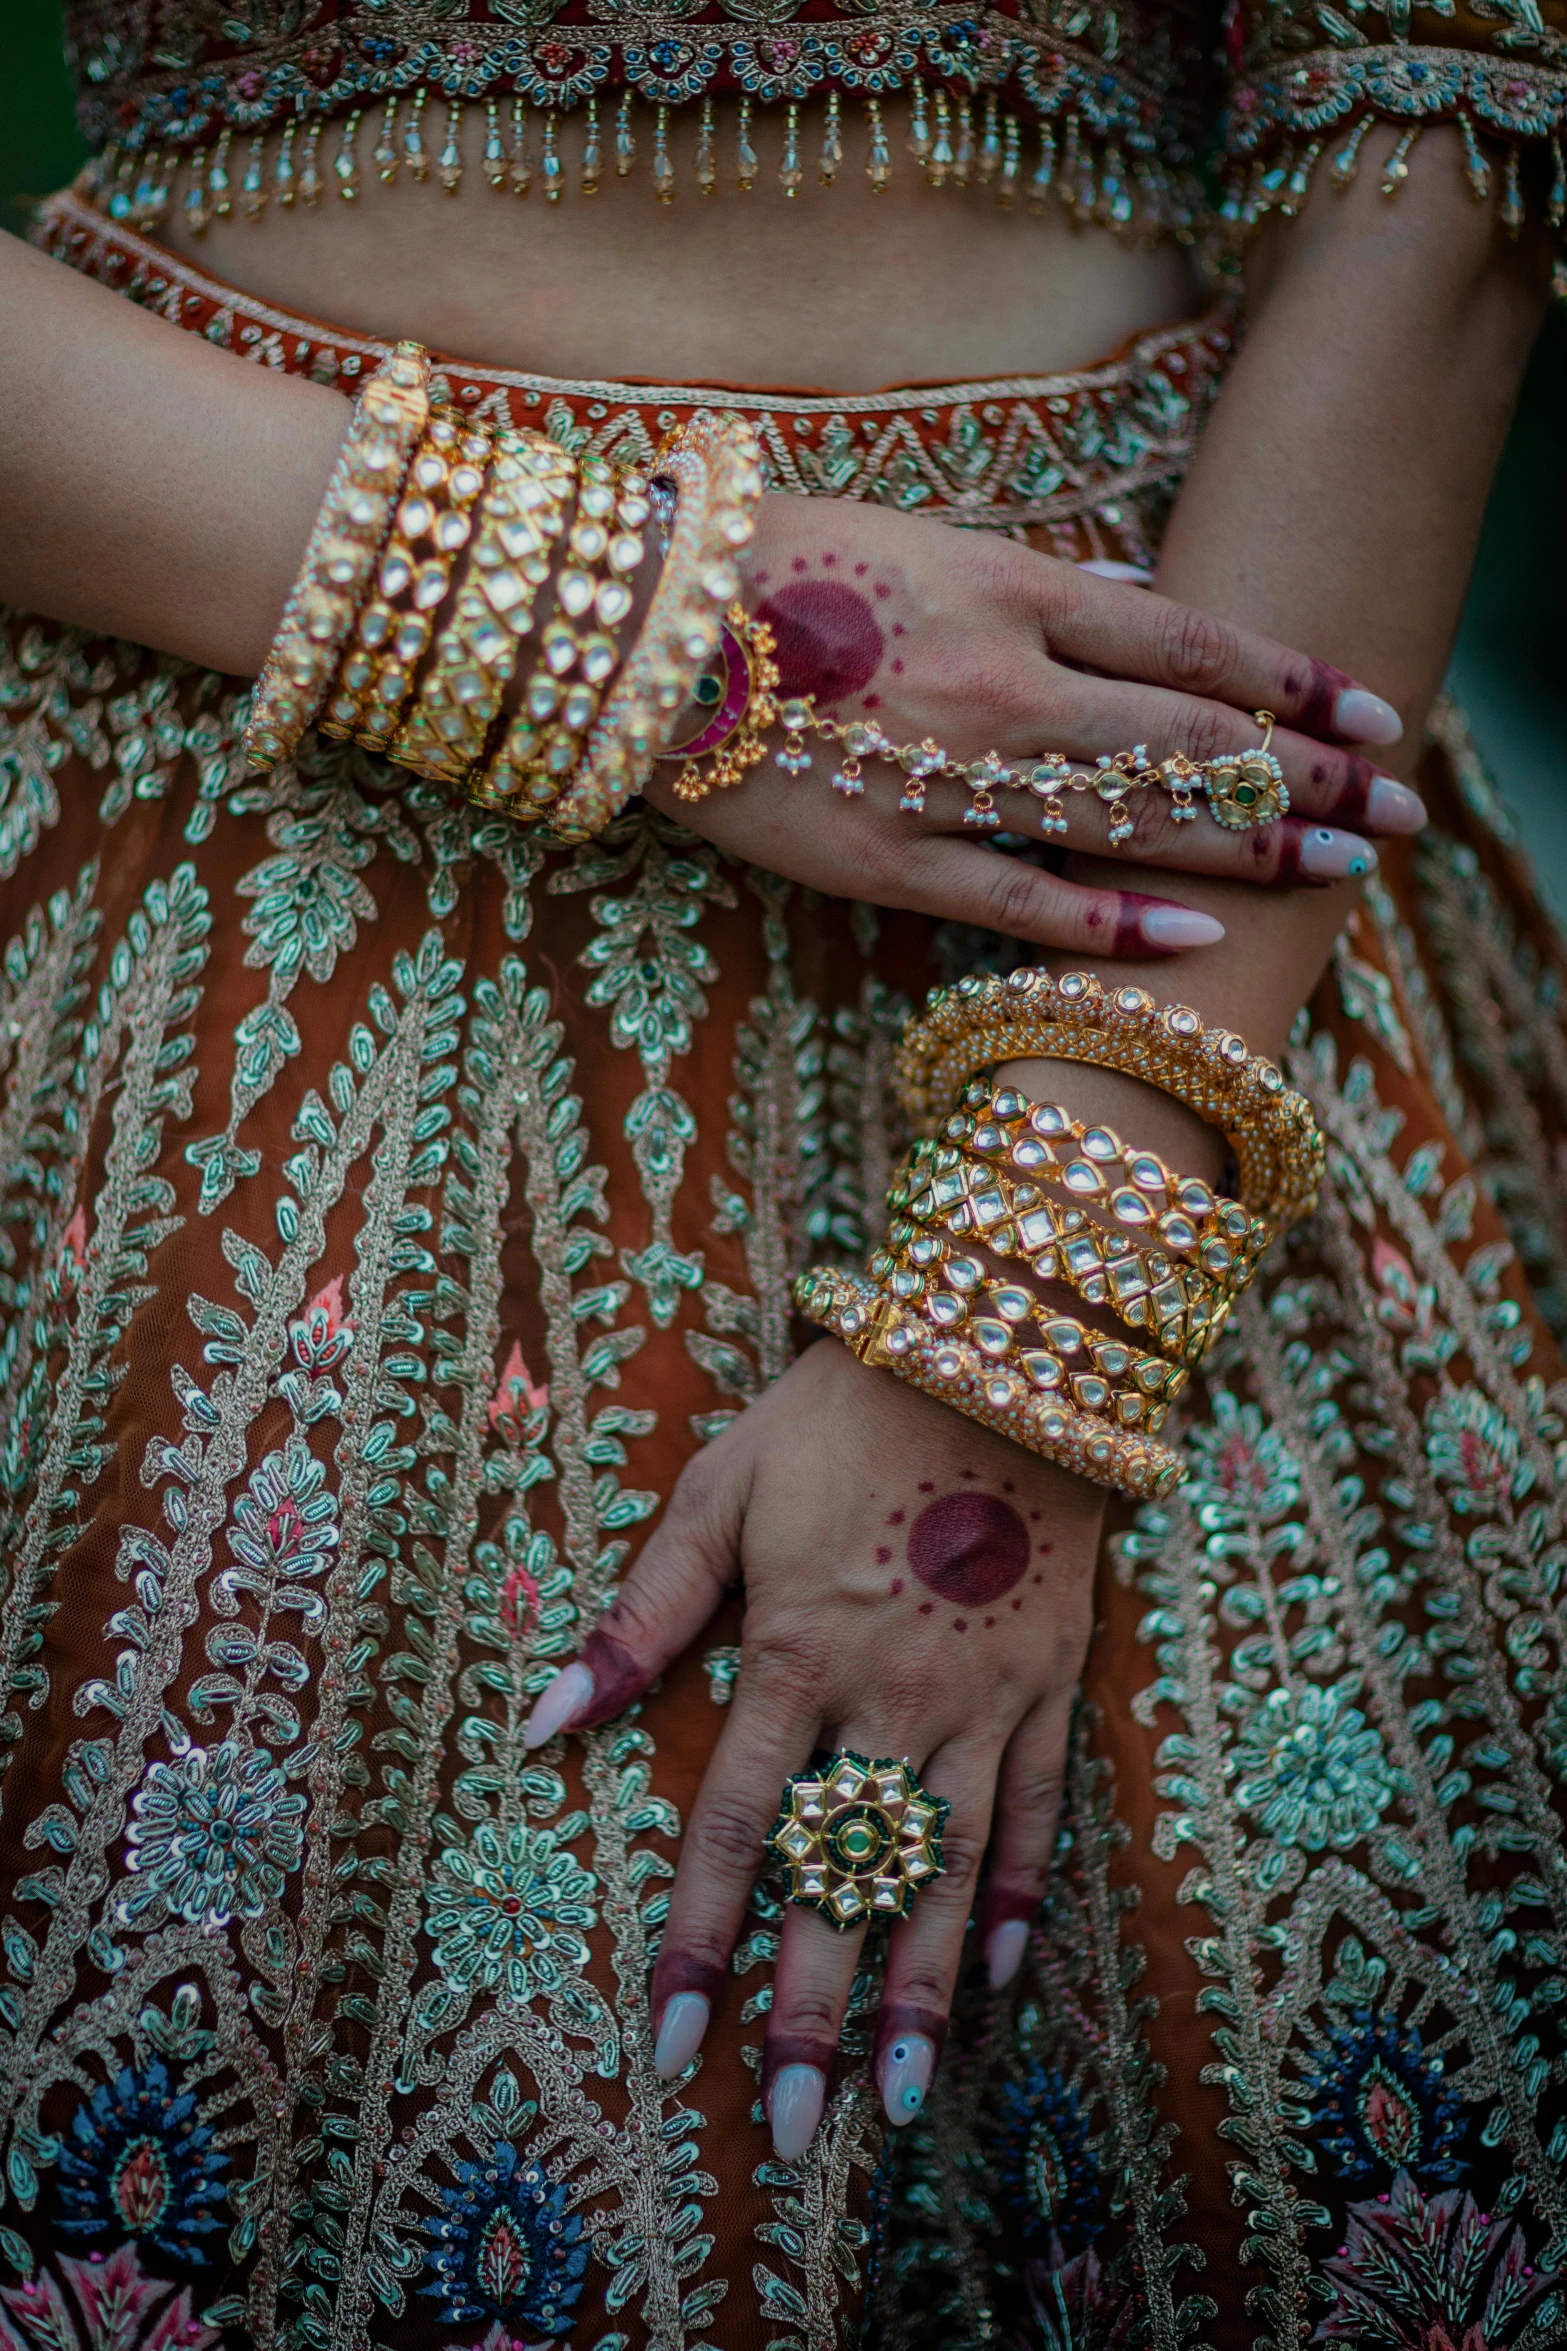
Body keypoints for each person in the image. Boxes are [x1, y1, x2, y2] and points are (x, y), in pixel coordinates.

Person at [0, 0, 1561, 2338]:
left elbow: (1444, 123)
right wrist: (634, 634)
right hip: (225, 877)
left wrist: (1054, 1268)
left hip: (1165, 878)